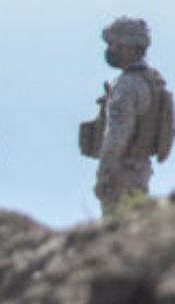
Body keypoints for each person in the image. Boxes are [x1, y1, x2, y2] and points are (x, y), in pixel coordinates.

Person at [85, 17, 170, 216]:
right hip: (139, 170)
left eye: (115, 44)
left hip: (121, 172)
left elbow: (118, 134)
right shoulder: (150, 81)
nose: (110, 49)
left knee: (117, 231)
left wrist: (104, 173)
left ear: (131, 48)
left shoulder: (127, 85)